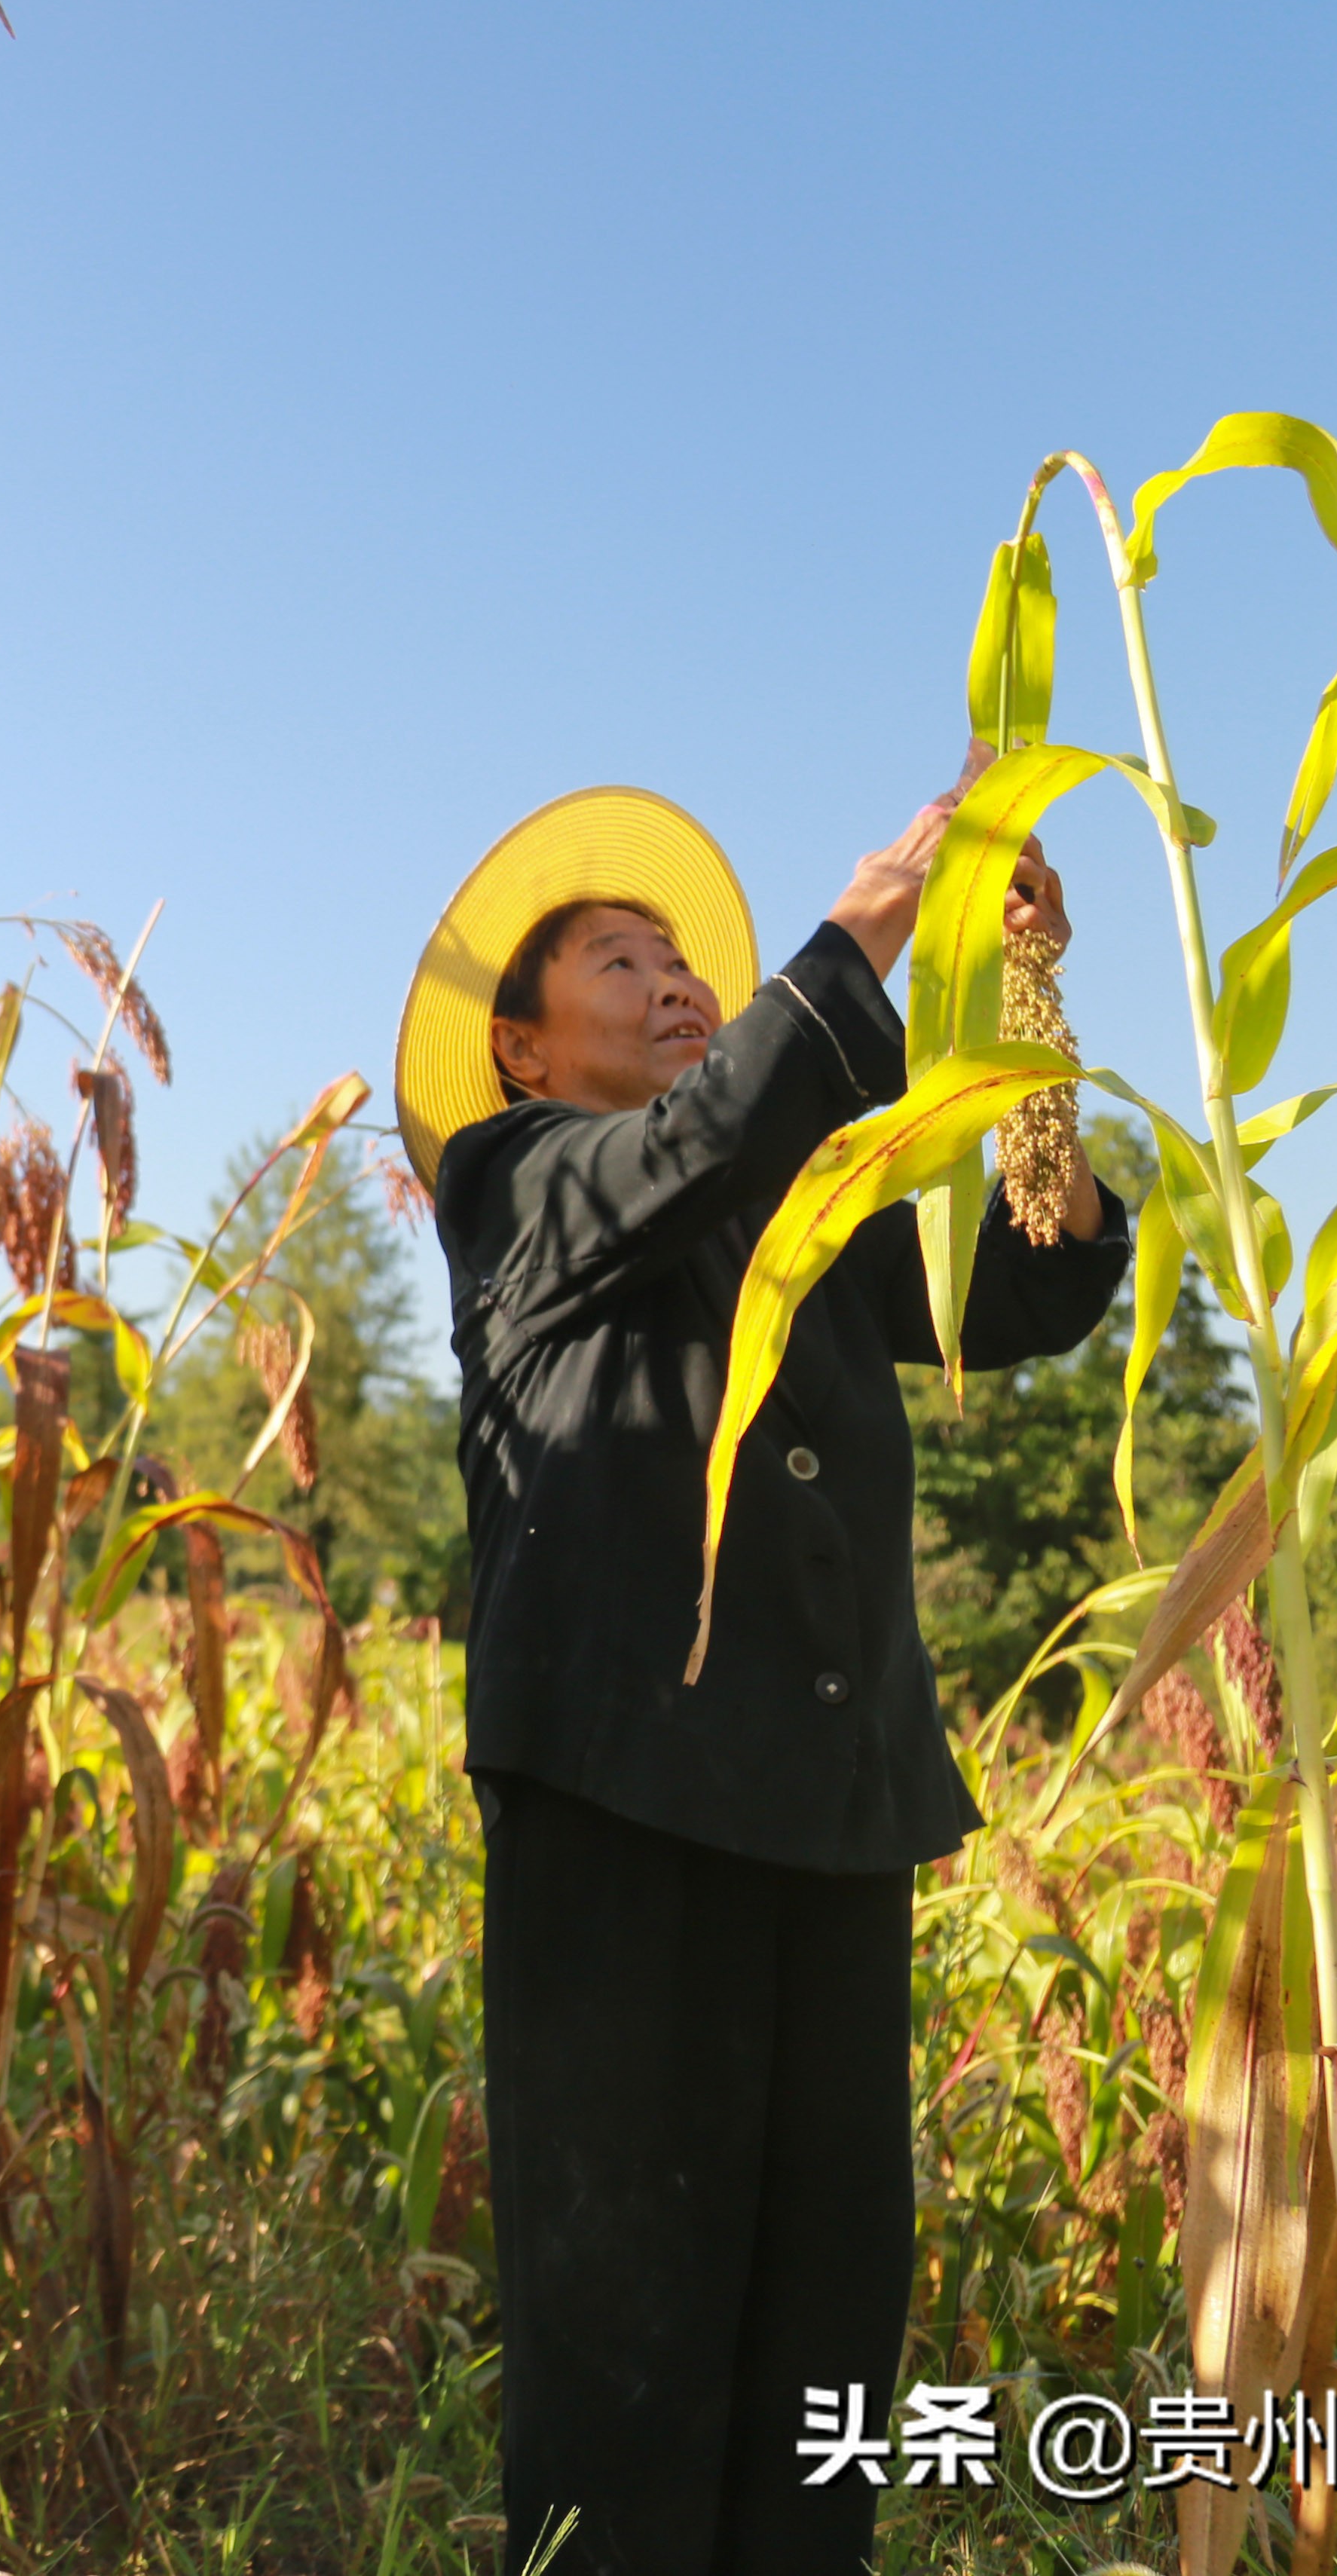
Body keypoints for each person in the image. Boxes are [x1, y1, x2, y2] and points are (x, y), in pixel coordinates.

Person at [393, 782, 1124, 2576]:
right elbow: (689, 1149)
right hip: (625, 1808)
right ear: (523, 1047)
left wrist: (1028, 1007)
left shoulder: (809, 1210)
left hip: (827, 1817)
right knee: (628, 2309)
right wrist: (873, 914)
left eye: (682, 962)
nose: (671, 983)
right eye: (621, 962)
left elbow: (1024, 1294)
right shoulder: (520, 1190)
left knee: (827, 2303)